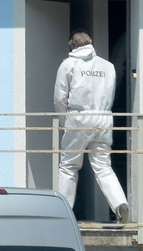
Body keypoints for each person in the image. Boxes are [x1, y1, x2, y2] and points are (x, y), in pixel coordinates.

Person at [54, 31, 129, 222]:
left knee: (69, 166)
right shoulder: (108, 66)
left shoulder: (68, 64)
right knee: (103, 167)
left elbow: (60, 98)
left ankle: (64, 212)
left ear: (72, 45)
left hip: (78, 118)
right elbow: (113, 91)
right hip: (104, 117)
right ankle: (120, 205)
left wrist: (64, 123)